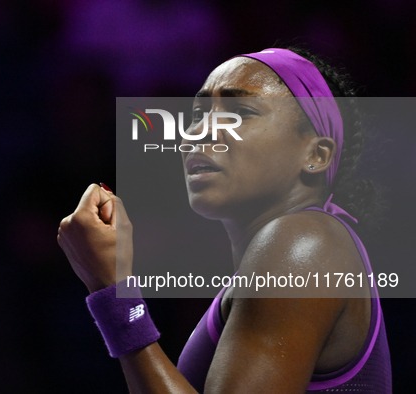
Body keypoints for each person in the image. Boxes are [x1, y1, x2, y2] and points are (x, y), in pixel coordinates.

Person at [57, 47, 392, 393]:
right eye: (198, 113)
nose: (201, 132)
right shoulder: (292, 248)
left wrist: (114, 293)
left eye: (240, 113)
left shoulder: (304, 242)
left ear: (315, 155)